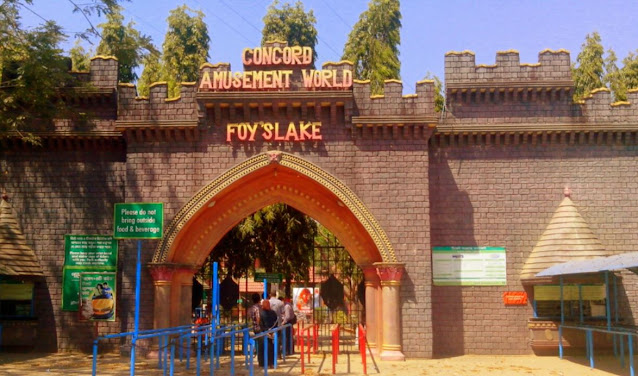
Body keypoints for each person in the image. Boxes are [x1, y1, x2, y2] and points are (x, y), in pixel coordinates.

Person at [259, 299, 277, 367]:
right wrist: (272, 330)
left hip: (265, 332)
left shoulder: (261, 313)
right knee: (271, 348)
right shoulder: (273, 312)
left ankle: (263, 363)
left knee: (263, 348)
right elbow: (276, 322)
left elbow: (261, 324)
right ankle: (271, 363)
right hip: (272, 332)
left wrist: (265, 330)